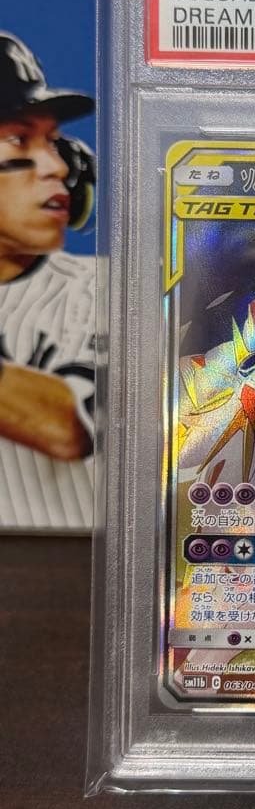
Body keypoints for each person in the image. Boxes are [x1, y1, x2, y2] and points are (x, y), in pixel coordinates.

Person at [0, 32, 96, 528]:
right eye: (20, 139)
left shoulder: (101, 290)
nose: (58, 166)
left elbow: (66, 429)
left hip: (78, 559)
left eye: (54, 141)